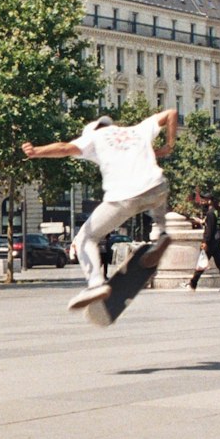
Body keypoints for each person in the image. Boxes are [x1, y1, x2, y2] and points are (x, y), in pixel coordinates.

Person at [22, 109, 178, 311]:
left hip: (124, 196)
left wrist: (36, 152)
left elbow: (63, 148)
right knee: (157, 196)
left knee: (85, 238)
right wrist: (168, 145)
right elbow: (171, 113)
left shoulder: (93, 137)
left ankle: (95, 284)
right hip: (157, 187)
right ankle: (162, 234)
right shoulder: (137, 129)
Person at [188, 197, 220, 291]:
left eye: (204, 200)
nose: (202, 202)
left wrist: (205, 242)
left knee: (202, 262)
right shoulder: (215, 212)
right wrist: (201, 221)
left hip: (211, 242)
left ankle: (192, 284)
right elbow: (213, 225)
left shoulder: (210, 213)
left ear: (209, 201)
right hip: (217, 241)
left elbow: (209, 230)